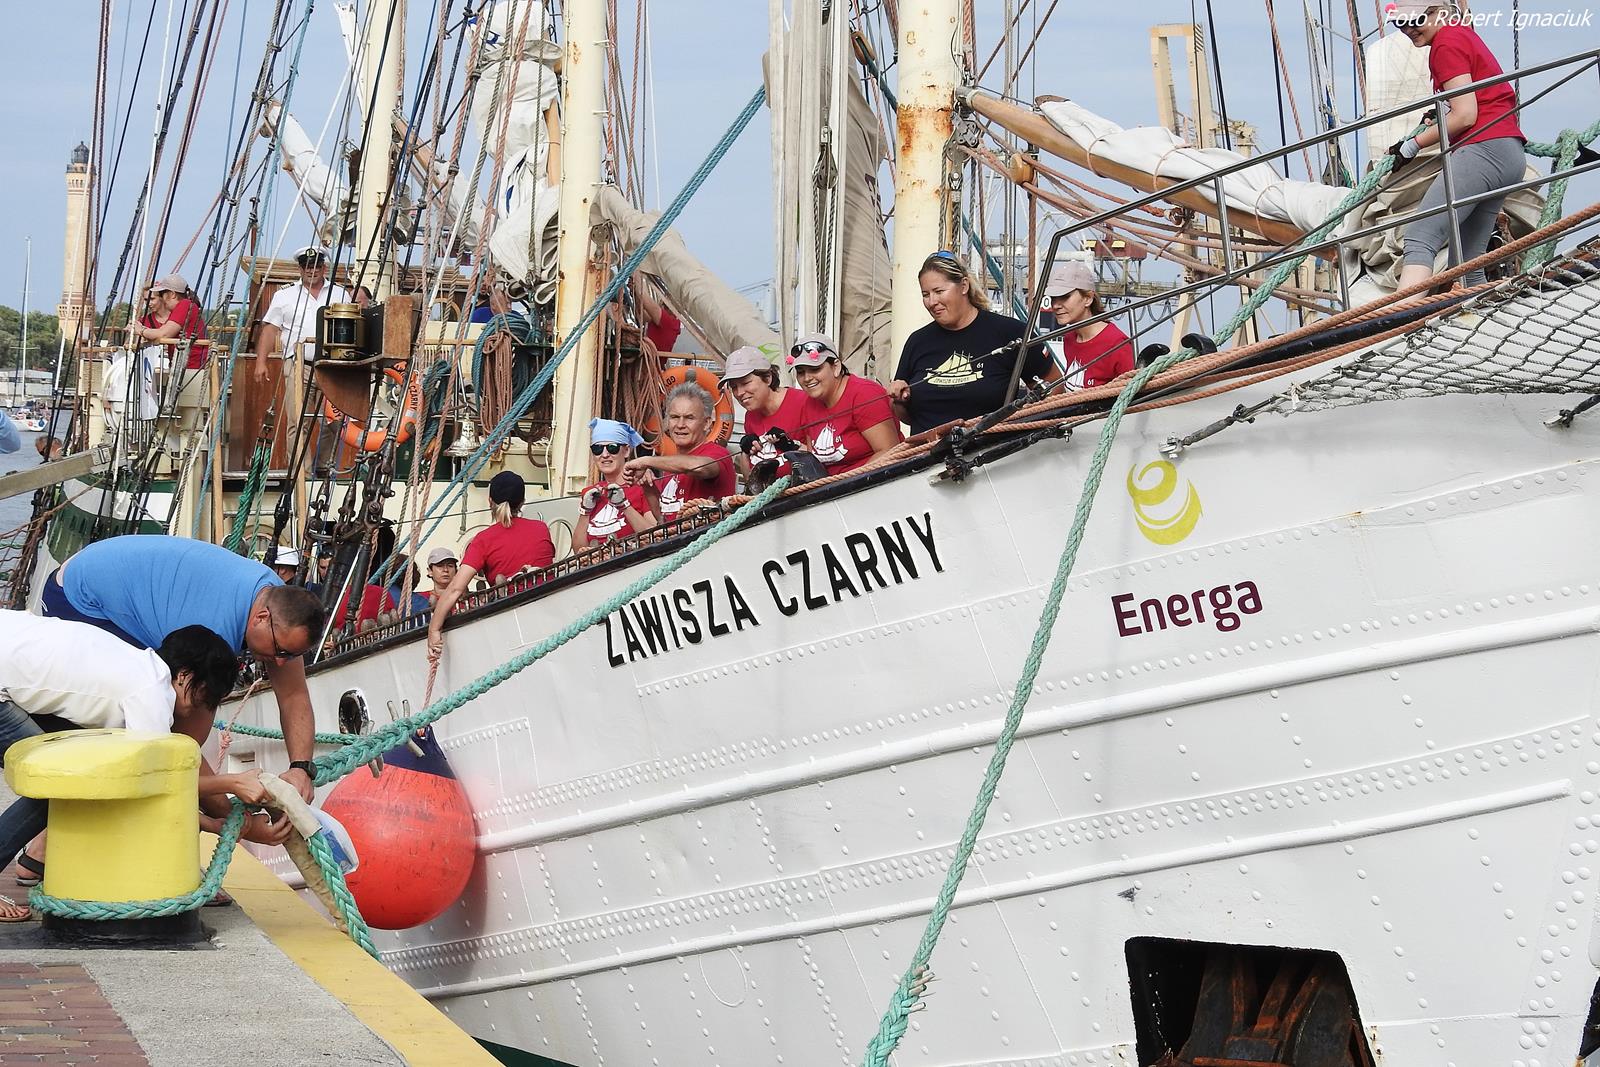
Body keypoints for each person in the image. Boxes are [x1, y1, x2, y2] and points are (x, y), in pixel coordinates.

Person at [0, 615, 291, 914]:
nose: (200, 709)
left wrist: (214, 823)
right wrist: (233, 783)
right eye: (205, 697)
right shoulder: (151, 694)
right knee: (61, 784)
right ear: (184, 676)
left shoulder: (137, 665)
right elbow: (158, 785)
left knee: (72, 775)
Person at [37, 535, 325, 802]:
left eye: (292, 655)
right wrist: (234, 819)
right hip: (80, 597)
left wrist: (301, 769)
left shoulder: (282, 605)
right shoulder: (214, 633)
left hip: (122, 577)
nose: (280, 663)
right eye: (280, 651)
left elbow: (294, 695)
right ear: (261, 617)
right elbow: (182, 750)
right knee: (137, 727)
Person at [1385, 1, 1527, 290]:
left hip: (1484, 151)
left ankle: (1399, 316)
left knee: (1420, 237)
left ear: (1439, 12)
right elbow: (1472, 98)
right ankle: (1478, 314)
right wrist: (1441, 110)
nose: (1408, 29)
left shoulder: (1445, 44)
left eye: (1416, 20)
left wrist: (1412, 145)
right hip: (1509, 154)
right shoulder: (1461, 34)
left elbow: (1464, 115)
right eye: (1400, 23)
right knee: (1466, 262)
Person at [889, 251, 1057, 436]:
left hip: (992, 450)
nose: (932, 302)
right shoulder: (917, 341)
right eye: (925, 294)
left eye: (939, 291)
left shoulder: (1011, 332)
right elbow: (910, 417)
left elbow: (1054, 387)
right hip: (927, 452)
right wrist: (899, 400)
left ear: (964, 286)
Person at [426, 472, 555, 663]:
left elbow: (455, 589)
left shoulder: (483, 540)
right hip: (547, 609)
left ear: (490, 501)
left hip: (507, 618)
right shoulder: (541, 528)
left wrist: (434, 629)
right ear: (522, 502)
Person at [789, 333, 903, 476]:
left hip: (875, 483)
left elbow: (889, 452)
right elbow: (814, 461)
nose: (807, 378)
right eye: (800, 372)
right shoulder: (809, 403)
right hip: (831, 486)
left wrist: (844, 482)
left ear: (836, 367)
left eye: (815, 369)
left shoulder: (863, 393)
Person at [622, 384, 737, 519]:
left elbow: (698, 467)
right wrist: (648, 487)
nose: (680, 425)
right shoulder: (670, 466)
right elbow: (663, 518)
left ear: (706, 423)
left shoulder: (718, 453)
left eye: (689, 418)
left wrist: (646, 461)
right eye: (675, 417)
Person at [254, 246, 351, 386]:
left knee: (334, 402)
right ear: (300, 269)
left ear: (324, 268)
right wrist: (260, 362)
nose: (312, 271)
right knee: (295, 402)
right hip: (298, 365)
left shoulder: (340, 294)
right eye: (307, 267)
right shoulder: (283, 295)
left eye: (316, 266)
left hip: (334, 368)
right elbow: (270, 330)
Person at [1043, 262, 1134, 388]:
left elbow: (1132, 393)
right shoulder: (1070, 338)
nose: (1055, 305)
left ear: (1088, 298)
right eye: (1053, 298)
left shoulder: (1117, 344)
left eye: (1064, 297)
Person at [572, 419, 659, 552]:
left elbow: (654, 537)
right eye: (597, 449)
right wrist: (585, 511)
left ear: (626, 451)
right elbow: (579, 550)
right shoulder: (590, 492)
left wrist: (624, 505)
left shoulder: (642, 486)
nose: (605, 455)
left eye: (612, 448)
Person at [722, 346, 805, 481]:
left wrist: (791, 445)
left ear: (767, 378)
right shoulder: (750, 416)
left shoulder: (802, 402)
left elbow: (824, 459)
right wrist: (745, 451)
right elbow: (750, 480)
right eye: (734, 387)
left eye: (745, 383)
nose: (739, 393)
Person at [130, 274, 209, 370]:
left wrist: (140, 330)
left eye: (162, 294)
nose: (162, 299)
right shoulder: (181, 308)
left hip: (192, 369)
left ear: (172, 294)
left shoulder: (185, 305)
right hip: (183, 368)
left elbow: (163, 334)